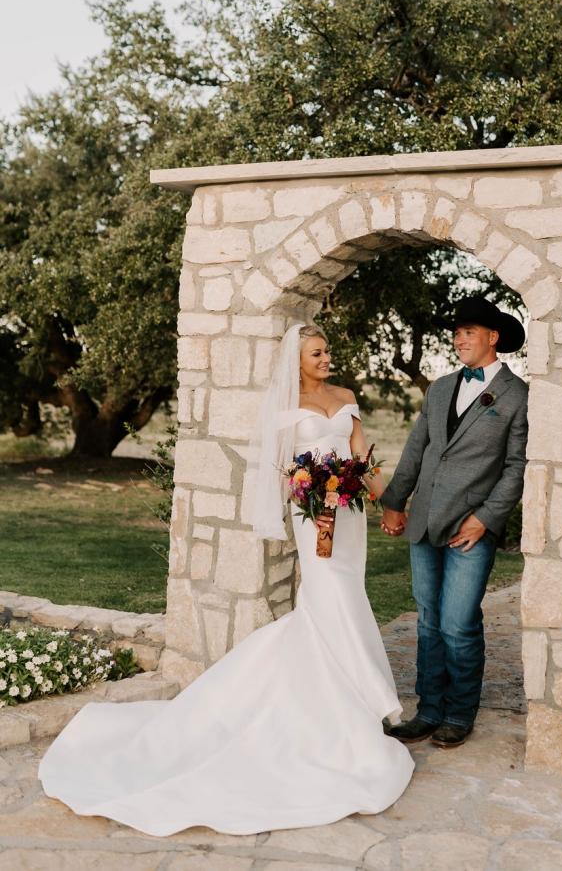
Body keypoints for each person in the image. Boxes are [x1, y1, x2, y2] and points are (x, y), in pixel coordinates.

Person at [39, 324, 414, 836]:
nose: (327, 358)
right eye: (317, 352)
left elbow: (363, 458)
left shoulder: (346, 397)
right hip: (315, 519)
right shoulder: (285, 404)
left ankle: (355, 693)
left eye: (328, 351)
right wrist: (312, 494)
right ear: (296, 361)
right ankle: (354, 700)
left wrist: (386, 501)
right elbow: (284, 470)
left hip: (348, 516)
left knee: (349, 590)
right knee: (332, 592)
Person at [378, 297, 529, 749]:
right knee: (428, 621)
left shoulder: (517, 395)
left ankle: (460, 713)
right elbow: (417, 449)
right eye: (457, 332)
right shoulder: (440, 388)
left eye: (469, 332)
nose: (460, 339)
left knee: (458, 624)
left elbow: (517, 465)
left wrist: (486, 519)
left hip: (470, 527)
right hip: (423, 519)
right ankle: (429, 711)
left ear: (492, 337)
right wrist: (394, 500)